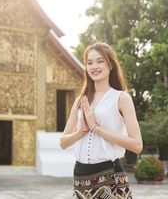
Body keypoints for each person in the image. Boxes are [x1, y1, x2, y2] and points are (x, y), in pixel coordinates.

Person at [59, 42, 142, 199]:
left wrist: (96, 128)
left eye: (100, 61)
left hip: (110, 175)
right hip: (81, 178)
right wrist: (82, 131)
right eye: (89, 63)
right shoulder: (80, 100)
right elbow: (63, 143)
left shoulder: (121, 98)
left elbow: (137, 145)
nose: (94, 66)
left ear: (110, 65)